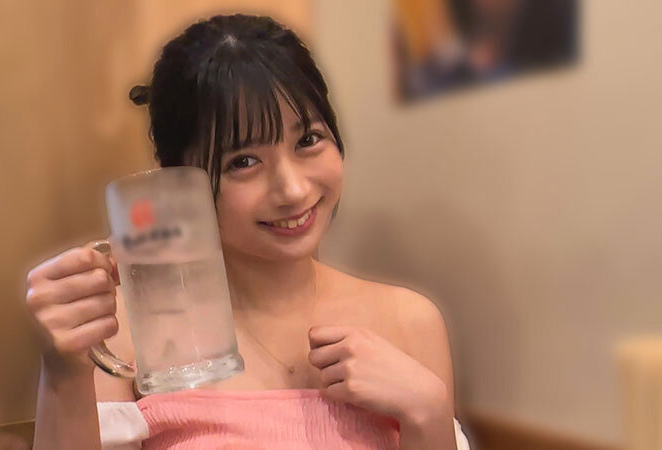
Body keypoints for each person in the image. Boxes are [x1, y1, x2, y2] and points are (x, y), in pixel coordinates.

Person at [27, 14, 470, 450]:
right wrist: (64, 375)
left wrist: (428, 412)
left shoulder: (411, 322)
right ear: (180, 180)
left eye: (308, 140)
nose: (293, 190)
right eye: (243, 162)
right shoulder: (124, 335)